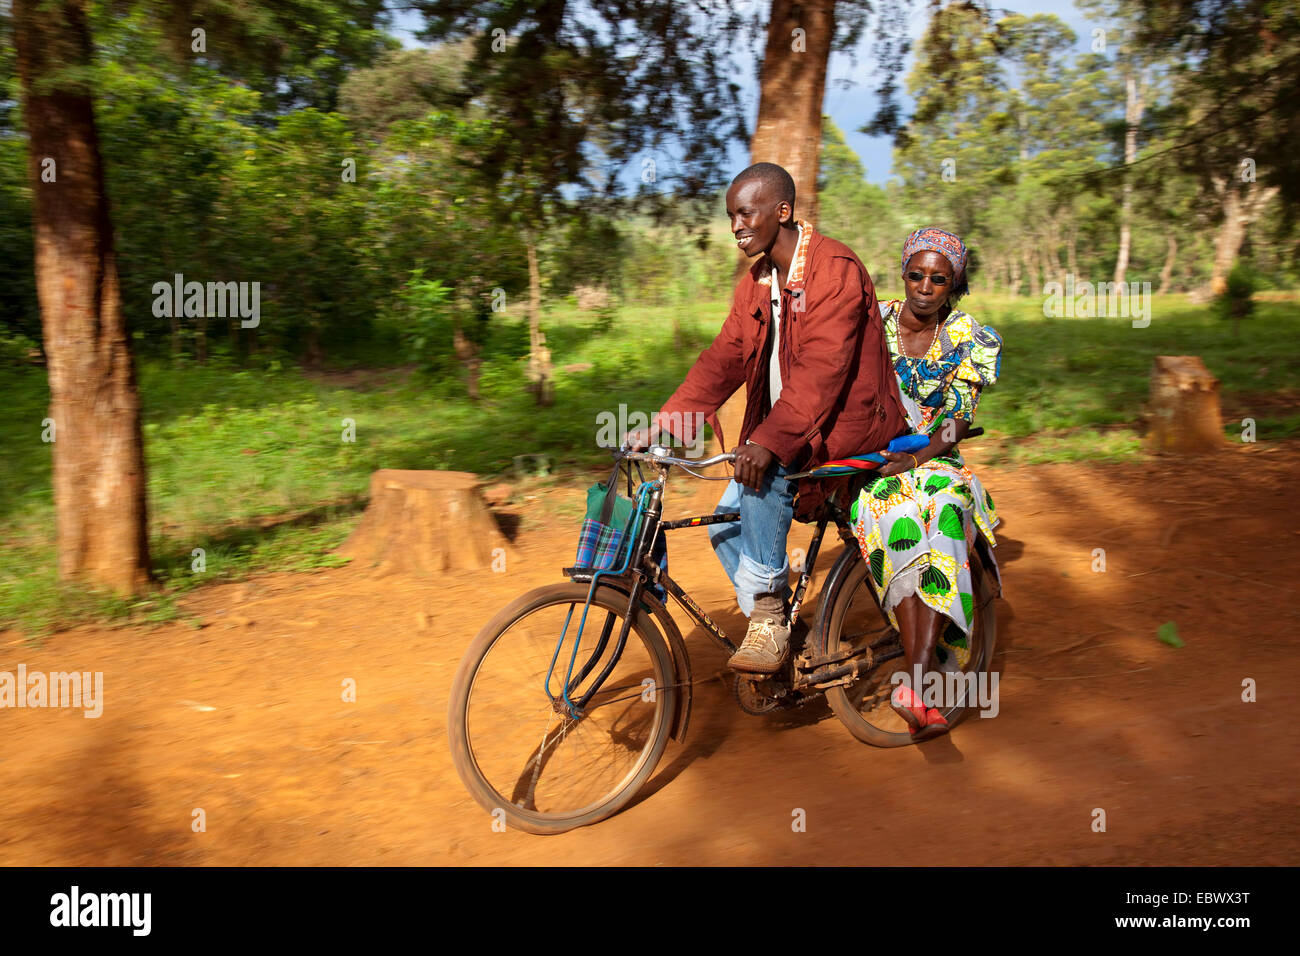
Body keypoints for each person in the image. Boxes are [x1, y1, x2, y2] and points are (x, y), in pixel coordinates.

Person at [626, 162, 907, 674]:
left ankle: (770, 617)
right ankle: (787, 634)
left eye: (745, 213)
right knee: (724, 528)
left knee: (761, 471)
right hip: (795, 429)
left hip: (845, 429)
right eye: (730, 215)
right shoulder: (757, 282)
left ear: (783, 211)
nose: (736, 225)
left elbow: (823, 368)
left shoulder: (834, 269)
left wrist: (771, 439)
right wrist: (667, 421)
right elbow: (724, 358)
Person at [850, 227, 1002, 740]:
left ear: (953, 283)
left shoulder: (969, 339)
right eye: (916, 274)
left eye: (939, 279)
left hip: (936, 462)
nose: (924, 286)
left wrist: (915, 458)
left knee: (944, 508)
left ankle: (913, 682)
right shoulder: (872, 322)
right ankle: (921, 679)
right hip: (872, 461)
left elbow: (956, 421)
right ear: (903, 273)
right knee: (897, 515)